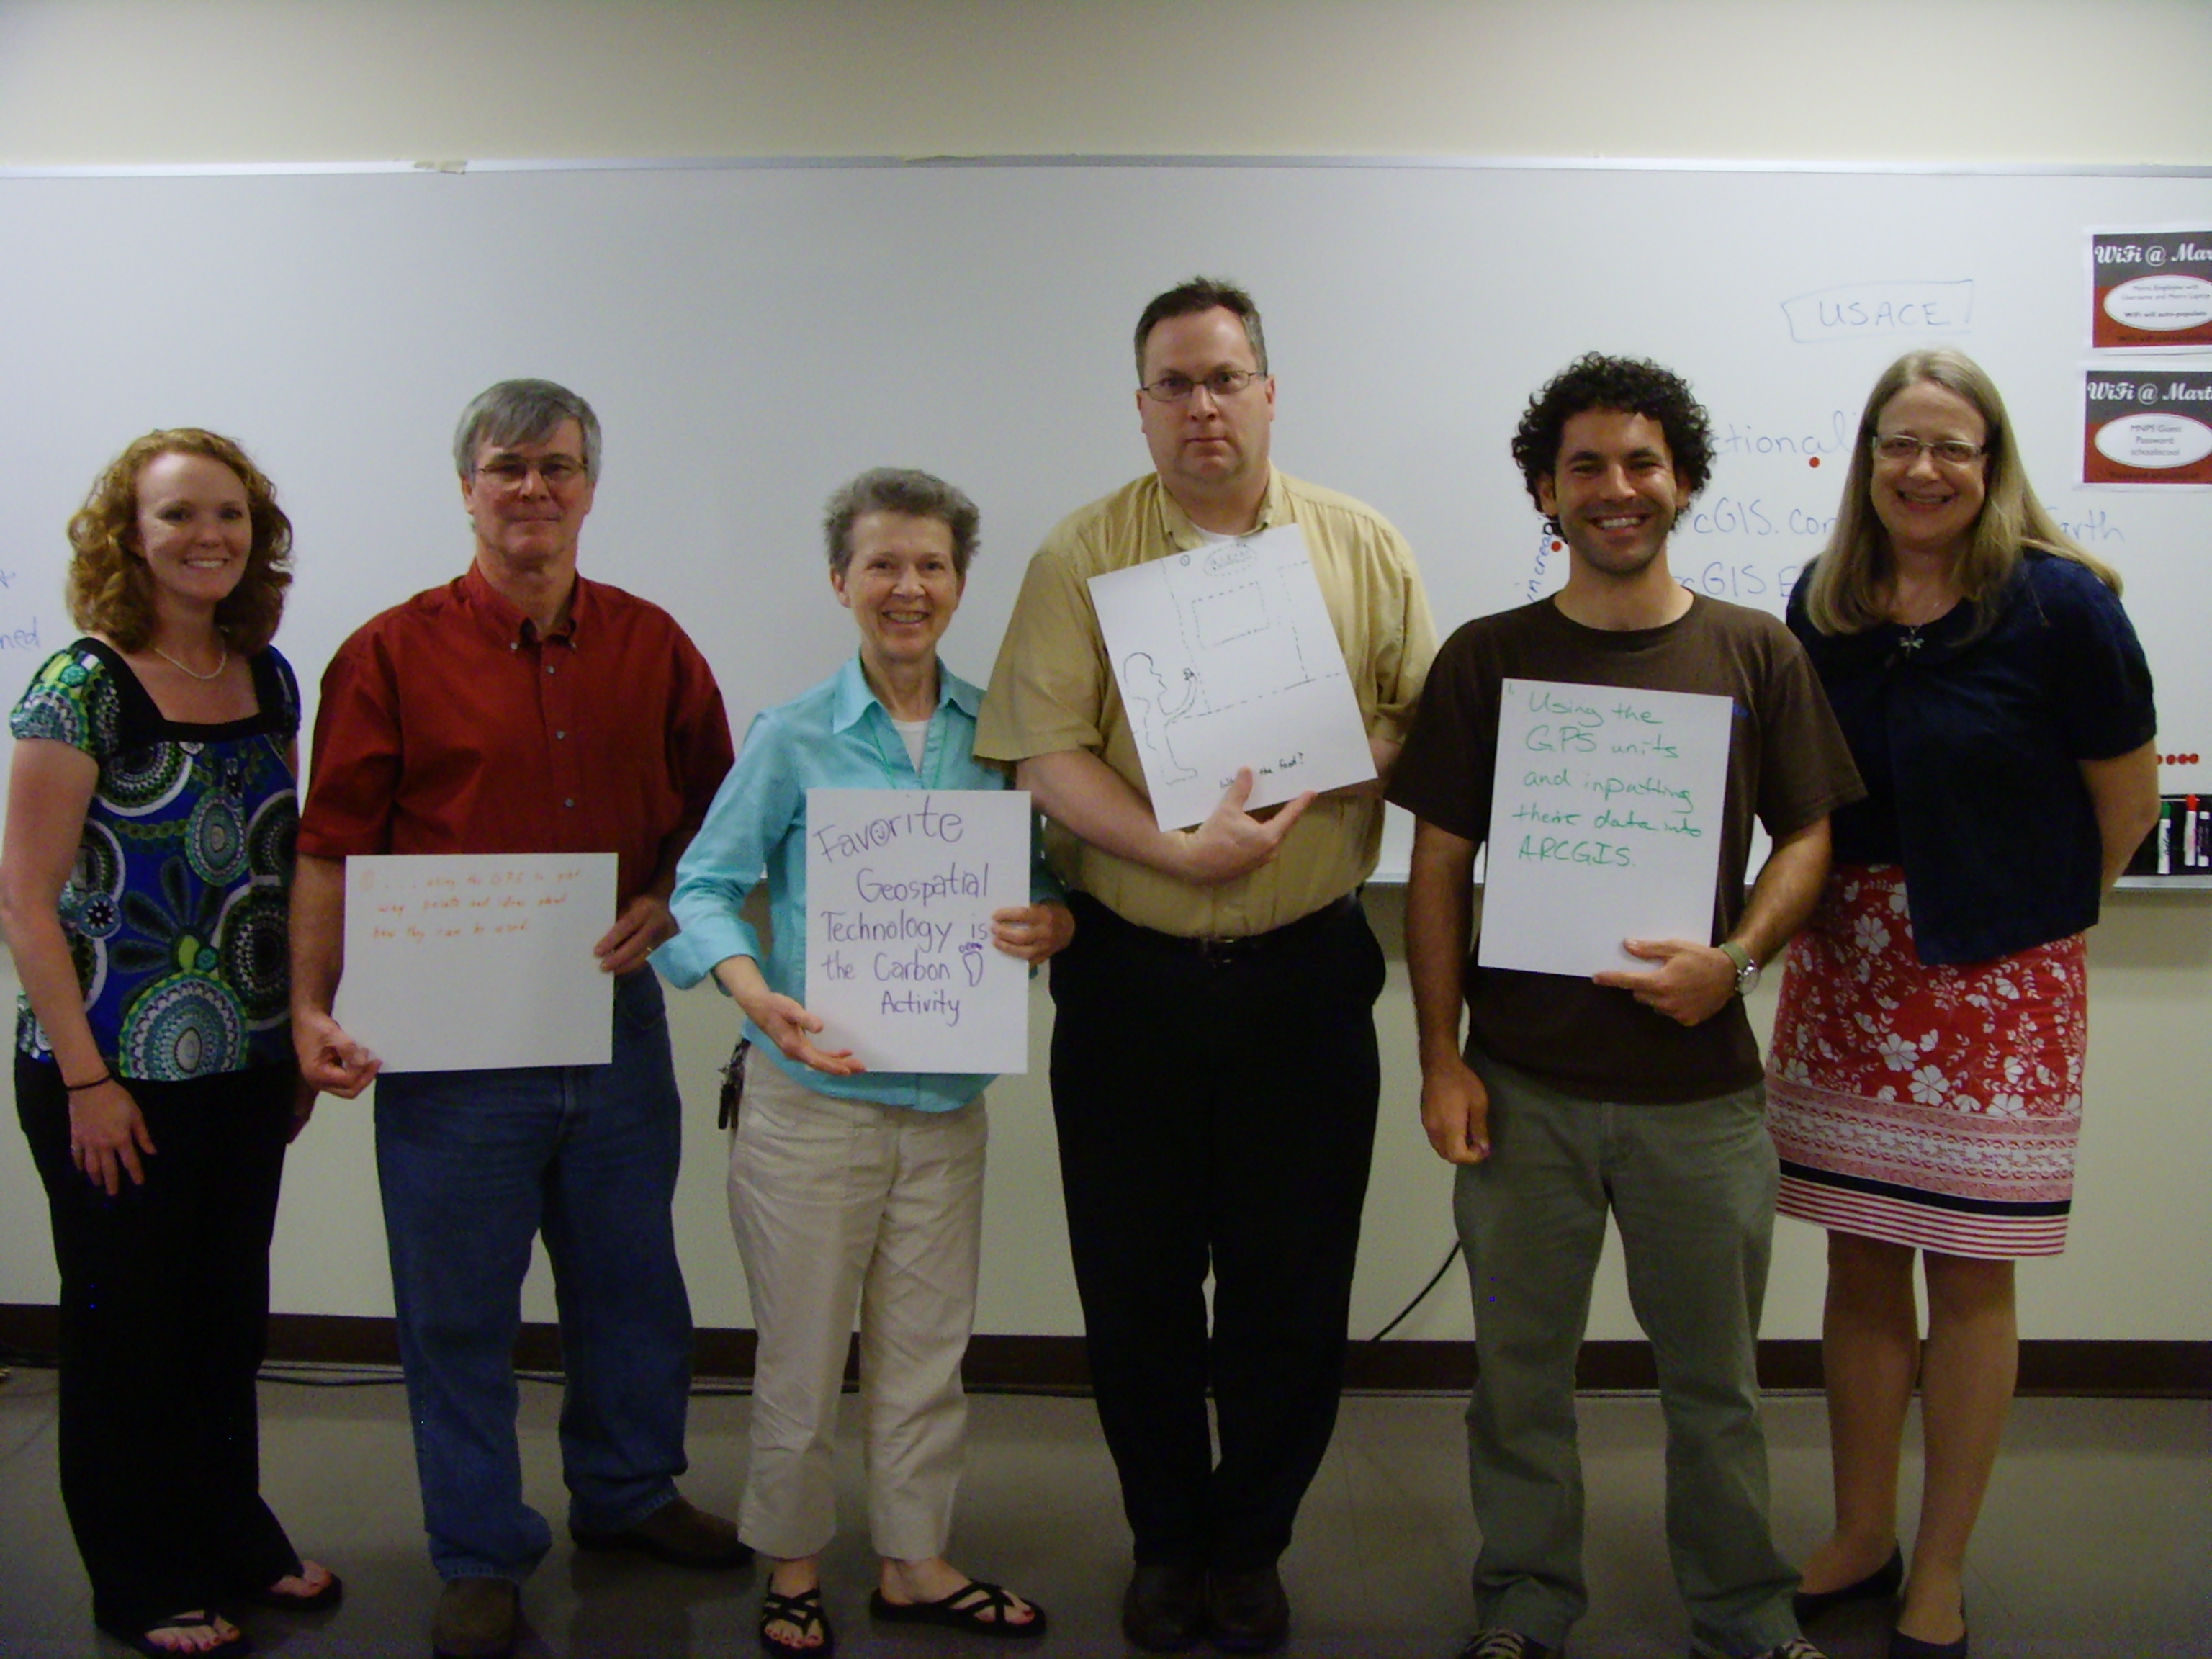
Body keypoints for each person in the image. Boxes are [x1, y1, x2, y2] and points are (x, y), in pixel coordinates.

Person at [976, 276, 1437, 1655]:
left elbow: (1422, 718)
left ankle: (1253, 1545)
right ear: (1142, 407)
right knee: (1136, 1288)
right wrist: (1173, 852)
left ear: (1269, 391)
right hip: (1134, 980)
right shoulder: (1080, 554)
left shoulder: (1360, 545)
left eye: (1226, 378)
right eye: (1174, 385)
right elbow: (1045, 752)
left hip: (1307, 977)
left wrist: (1334, 758)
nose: (1203, 407)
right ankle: (1168, 1543)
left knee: (1296, 1287)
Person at [1392, 354, 1865, 1659]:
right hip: (1522, 1091)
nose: (1617, 488)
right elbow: (1437, 866)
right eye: (1586, 466)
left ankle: (1744, 1610)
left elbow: (1809, 837)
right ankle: (1526, 1602)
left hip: (1699, 1098)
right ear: (1545, 492)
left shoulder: (1756, 651)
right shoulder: (1488, 658)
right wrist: (1441, 1058)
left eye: (1643, 462)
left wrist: (1740, 959)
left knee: (1717, 1388)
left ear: (1685, 481)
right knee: (1518, 1382)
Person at [289, 379, 741, 1659]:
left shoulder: (655, 645)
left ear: (590, 487)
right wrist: (309, 1005)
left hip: (614, 1022)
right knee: (457, 1310)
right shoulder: (387, 654)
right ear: (467, 487)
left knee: (631, 1283)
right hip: (449, 1050)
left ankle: (630, 1491)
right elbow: (330, 848)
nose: (533, 488)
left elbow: (721, 817)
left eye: (558, 466)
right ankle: (481, 1552)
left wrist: (668, 897)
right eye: (508, 466)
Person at [1766, 349, 2159, 1659]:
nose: (1923, 470)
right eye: (1900, 444)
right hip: (1850, 974)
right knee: (1861, 1261)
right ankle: (1860, 1534)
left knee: (1974, 1278)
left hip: (1999, 983)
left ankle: (1939, 1569)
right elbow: (1800, 795)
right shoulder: (1820, 604)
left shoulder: (2061, 604)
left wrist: (2014, 920)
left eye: (1952, 446)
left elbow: (2127, 804)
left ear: (1992, 464)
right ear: (1867, 460)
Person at [655, 467, 1071, 1658]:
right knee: (799, 1357)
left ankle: (914, 1561)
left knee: (927, 1357)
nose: (908, 587)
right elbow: (700, 889)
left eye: (932, 565)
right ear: (841, 580)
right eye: (883, 563)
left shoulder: (1001, 736)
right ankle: (792, 1565)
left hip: (944, 1107)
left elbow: (1044, 886)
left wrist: (1055, 922)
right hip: (811, 1101)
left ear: (960, 584)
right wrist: (754, 994)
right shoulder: (792, 735)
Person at [0, 430, 338, 1658]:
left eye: (231, 515)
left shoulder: (270, 675)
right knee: (126, 1330)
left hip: (242, 1062)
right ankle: (139, 1579)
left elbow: (280, 863)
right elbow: (22, 900)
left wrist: (294, 1034)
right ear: (128, 535)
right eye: (180, 514)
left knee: (224, 1318)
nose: (209, 536)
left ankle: (232, 1535)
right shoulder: (80, 686)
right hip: (109, 1074)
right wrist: (87, 1080)